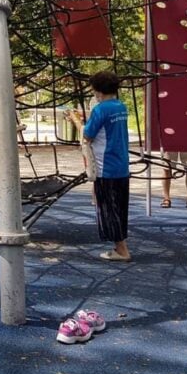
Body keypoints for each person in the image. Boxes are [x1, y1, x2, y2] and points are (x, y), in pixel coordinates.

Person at [70, 70, 131, 262]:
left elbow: (87, 135)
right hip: (121, 164)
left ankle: (121, 249)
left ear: (98, 91)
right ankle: (120, 246)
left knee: (108, 209)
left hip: (106, 166)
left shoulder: (101, 109)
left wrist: (75, 120)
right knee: (119, 207)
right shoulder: (120, 106)